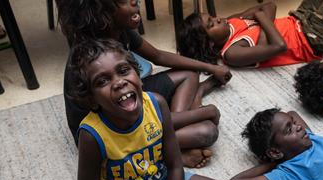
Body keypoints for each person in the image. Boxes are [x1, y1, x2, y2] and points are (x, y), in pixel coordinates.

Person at [68, 39, 246, 180]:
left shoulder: (157, 104)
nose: (119, 83)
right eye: (102, 81)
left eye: (124, 71)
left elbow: (174, 165)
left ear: (137, 74)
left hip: (161, 179)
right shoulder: (92, 134)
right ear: (91, 98)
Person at [57, 0, 233, 168]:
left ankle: (170, 132)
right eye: (124, 1)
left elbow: (158, 56)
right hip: (107, 131)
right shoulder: (91, 55)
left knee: (190, 74)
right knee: (206, 131)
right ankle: (168, 150)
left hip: (122, 103)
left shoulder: (118, 29)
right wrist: (206, 112)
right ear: (103, 15)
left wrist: (211, 67)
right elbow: (115, 116)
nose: (135, 2)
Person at [177, 0, 323, 69]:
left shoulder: (230, 23)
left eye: (212, 17)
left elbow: (268, 5)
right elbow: (279, 46)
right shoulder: (233, 52)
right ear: (208, 43)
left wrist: (263, 20)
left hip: (298, 18)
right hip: (310, 39)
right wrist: (259, 19)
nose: (219, 18)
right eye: (211, 24)